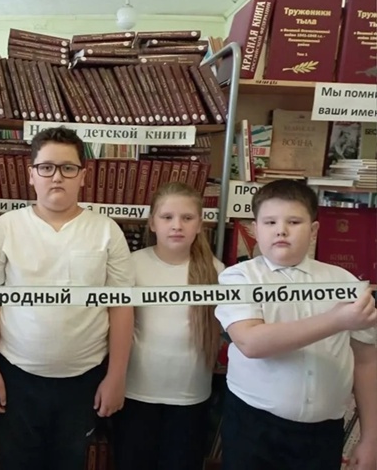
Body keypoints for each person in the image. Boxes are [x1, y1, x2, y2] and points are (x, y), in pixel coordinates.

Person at [0, 127, 135, 470]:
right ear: (31, 174)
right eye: (46, 167)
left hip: (85, 378)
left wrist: (116, 376)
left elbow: (122, 307)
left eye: (68, 168)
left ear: (83, 176)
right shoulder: (6, 227)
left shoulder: (107, 230)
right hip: (15, 375)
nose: (57, 177)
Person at [215, 179, 377, 470]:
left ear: (313, 230)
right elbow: (251, 343)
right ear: (254, 229)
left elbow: (366, 361)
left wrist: (371, 438)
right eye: (270, 222)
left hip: (323, 434)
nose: (281, 230)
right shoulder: (238, 277)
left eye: (294, 221)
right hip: (253, 426)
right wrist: (336, 320)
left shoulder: (345, 282)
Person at [112, 182, 224, 470]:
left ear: (200, 224)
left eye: (187, 218)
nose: (177, 225)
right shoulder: (132, 265)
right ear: (152, 223)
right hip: (136, 392)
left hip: (190, 396)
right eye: (167, 217)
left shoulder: (216, 271)